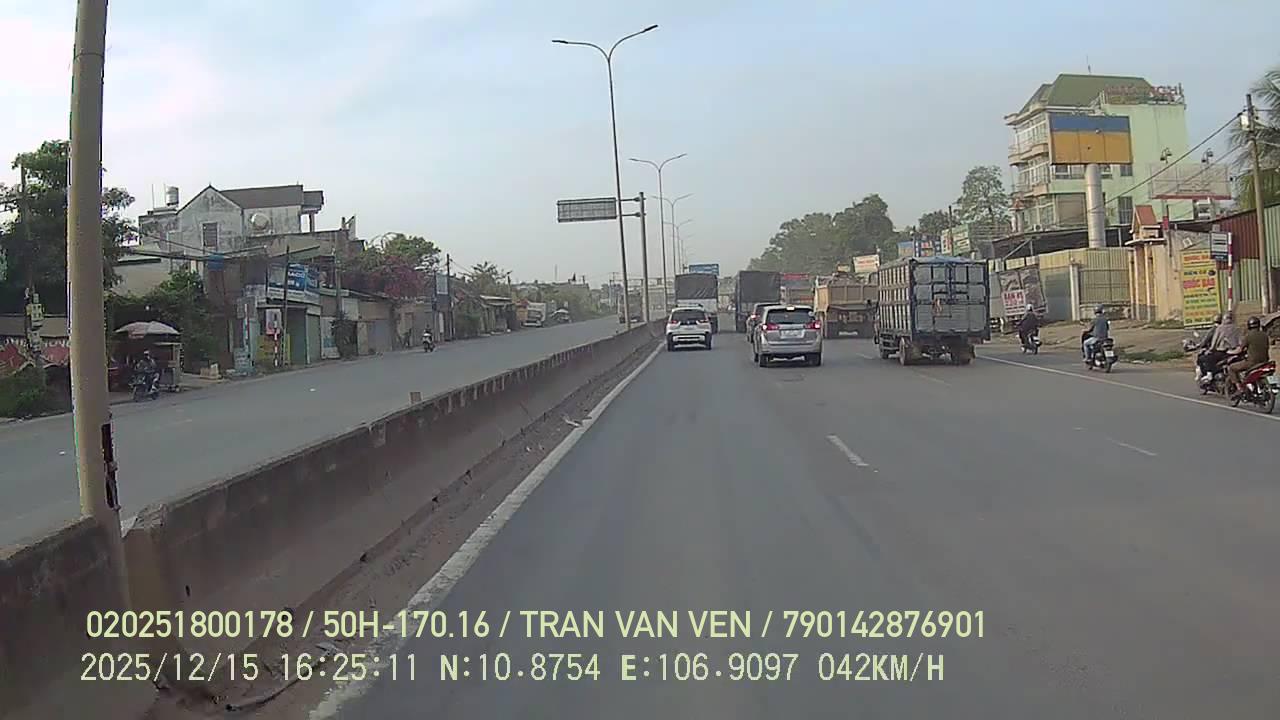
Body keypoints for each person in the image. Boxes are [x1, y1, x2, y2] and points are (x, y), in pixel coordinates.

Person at [1227, 316, 1270, 395]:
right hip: (1265, 361)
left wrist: (1230, 352)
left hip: (1252, 363)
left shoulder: (1248, 336)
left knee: (1232, 368)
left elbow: (1239, 350)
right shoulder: (1265, 335)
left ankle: (1239, 388)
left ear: (1249, 326)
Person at [1194, 313, 1223, 381]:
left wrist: (1200, 345)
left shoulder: (1213, 330)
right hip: (1227, 350)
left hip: (1216, 350)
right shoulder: (1225, 328)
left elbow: (1205, 341)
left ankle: (1208, 373)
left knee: (1201, 357)